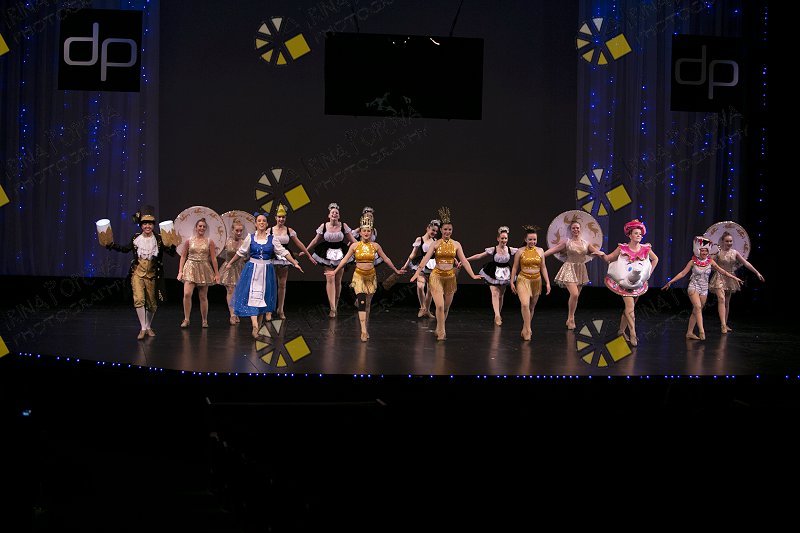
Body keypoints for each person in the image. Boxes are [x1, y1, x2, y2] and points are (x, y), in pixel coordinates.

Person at [325, 213, 405, 341]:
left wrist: (396, 270)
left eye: (368, 231)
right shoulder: (355, 246)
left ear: (371, 232)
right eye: (364, 231)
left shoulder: (375, 246)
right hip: (359, 276)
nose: (366, 233)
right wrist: (335, 271)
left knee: (367, 304)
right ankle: (363, 331)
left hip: (371, 276)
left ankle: (365, 327)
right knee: (362, 302)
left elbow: (386, 259)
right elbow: (344, 260)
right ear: (360, 232)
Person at [223, 213, 303, 339]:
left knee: (262, 299)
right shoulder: (250, 237)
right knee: (253, 297)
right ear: (256, 224)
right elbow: (241, 252)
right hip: (253, 270)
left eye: (264, 221)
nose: (261, 223)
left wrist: (294, 263)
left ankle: (258, 327)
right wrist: (230, 263)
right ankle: (255, 326)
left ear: (267, 224)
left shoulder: (272, 239)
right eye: (259, 221)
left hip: (266, 271)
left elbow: (283, 251)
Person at [104, 205, 177, 339]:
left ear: (153, 225)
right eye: (144, 224)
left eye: (150, 223)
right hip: (137, 273)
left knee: (152, 304)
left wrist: (173, 244)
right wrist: (112, 245)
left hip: (153, 275)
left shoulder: (159, 239)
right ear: (141, 225)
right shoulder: (136, 238)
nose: (147, 226)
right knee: (139, 299)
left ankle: (148, 326)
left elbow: (171, 253)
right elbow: (125, 249)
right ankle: (143, 328)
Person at [410, 207, 481, 341]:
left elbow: (464, 261)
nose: (447, 231)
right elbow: (425, 259)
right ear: (441, 230)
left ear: (452, 231)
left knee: (446, 307)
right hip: (436, 276)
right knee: (440, 305)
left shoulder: (456, 244)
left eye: (450, 229)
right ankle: (442, 331)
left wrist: (473, 275)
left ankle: (439, 327)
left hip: (450, 278)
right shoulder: (436, 244)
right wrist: (416, 273)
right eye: (445, 229)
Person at [662, 236, 743, 340]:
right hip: (693, 287)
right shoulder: (692, 262)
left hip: (704, 289)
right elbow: (682, 273)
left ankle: (689, 333)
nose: (704, 253)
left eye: (706, 251)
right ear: (698, 250)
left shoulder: (710, 262)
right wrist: (670, 282)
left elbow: (722, 271)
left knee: (696, 311)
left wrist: (735, 278)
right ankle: (701, 331)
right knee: (698, 307)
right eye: (702, 250)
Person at [599, 219, 659, 347]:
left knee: (629, 309)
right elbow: (609, 258)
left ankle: (621, 331)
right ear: (630, 235)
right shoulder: (622, 248)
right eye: (636, 233)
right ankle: (633, 333)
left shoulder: (646, 248)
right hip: (624, 284)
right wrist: (601, 254)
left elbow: (655, 259)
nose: (639, 235)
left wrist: (648, 274)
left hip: (637, 283)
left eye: (640, 234)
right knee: (630, 308)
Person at [542, 218, 601, 329]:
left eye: (577, 228)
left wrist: (608, 257)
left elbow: (597, 252)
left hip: (581, 270)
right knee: (574, 294)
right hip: (569, 268)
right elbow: (553, 250)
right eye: (573, 228)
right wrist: (540, 255)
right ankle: (571, 318)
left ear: (580, 229)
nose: (575, 230)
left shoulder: (586, 243)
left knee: (576, 296)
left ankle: (570, 317)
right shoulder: (567, 242)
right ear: (571, 230)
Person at [304, 202, 357, 317]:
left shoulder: (343, 226)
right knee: (330, 279)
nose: (334, 214)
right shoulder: (324, 226)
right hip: (327, 253)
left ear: (339, 215)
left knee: (338, 281)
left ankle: (335, 306)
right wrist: (306, 250)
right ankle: (332, 307)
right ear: (329, 215)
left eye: (336, 213)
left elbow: (353, 240)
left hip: (340, 253)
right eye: (332, 212)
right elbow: (315, 240)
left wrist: (363, 249)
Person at [267, 204, 317, 319]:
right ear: (275, 218)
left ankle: (280, 309)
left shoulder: (289, 231)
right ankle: (269, 310)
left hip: (285, 257)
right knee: (271, 284)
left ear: (285, 218)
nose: (281, 219)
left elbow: (299, 243)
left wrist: (309, 255)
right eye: (279, 217)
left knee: (282, 284)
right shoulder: (269, 230)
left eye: (283, 217)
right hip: (272, 256)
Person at [710, 230, 765, 333]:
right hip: (719, 277)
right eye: (727, 241)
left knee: (726, 302)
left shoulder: (735, 252)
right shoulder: (717, 252)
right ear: (722, 241)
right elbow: (709, 263)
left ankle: (725, 324)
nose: (729, 243)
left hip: (730, 277)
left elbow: (746, 263)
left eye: (730, 241)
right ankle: (723, 325)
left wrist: (757, 272)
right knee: (721, 299)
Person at [465, 226, 518, 326]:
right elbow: (479, 256)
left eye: (505, 238)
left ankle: (498, 313)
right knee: (494, 293)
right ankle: (497, 315)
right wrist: (465, 259)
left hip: (505, 273)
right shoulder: (493, 249)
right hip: (493, 272)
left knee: (501, 295)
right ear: (498, 238)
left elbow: (522, 253)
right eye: (502, 238)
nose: (504, 240)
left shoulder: (510, 250)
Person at [510, 225, 551, 341]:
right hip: (523, 280)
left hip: (536, 281)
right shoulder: (520, 251)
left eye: (534, 239)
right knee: (525, 304)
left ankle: (525, 327)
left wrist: (548, 283)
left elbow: (543, 267)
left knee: (531, 307)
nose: (532, 242)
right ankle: (528, 330)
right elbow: (515, 267)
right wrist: (511, 281)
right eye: (530, 239)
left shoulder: (540, 251)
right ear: (525, 239)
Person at [177, 217, 220, 328]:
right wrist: (180, 271)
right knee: (187, 294)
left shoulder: (209, 241)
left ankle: (204, 320)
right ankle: (186, 319)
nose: (202, 228)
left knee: (203, 296)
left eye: (204, 227)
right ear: (196, 228)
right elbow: (183, 256)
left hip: (203, 269)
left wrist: (217, 274)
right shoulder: (189, 241)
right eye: (200, 226)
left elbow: (213, 258)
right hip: (190, 267)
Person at [401, 219, 440, 318]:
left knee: (430, 290)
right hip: (422, 264)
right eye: (433, 230)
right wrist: (405, 265)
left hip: (433, 265)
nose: (434, 233)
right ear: (427, 228)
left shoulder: (435, 241)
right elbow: (412, 254)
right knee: (420, 286)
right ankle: (422, 307)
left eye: (436, 231)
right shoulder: (420, 239)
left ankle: (427, 310)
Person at [219, 219, 246, 325]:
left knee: (238, 292)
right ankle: (232, 315)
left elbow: (247, 255)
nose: (239, 233)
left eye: (241, 231)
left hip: (240, 268)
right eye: (237, 230)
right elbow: (219, 251)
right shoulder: (226, 241)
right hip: (229, 268)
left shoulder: (244, 242)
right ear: (232, 230)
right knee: (230, 290)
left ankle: (236, 311)